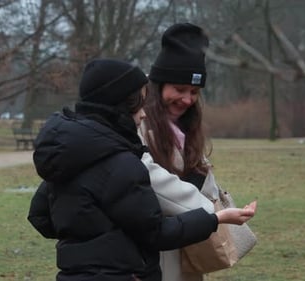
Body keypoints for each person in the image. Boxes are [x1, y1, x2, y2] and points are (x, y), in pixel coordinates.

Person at [27, 58, 257, 281]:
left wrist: (89, 240)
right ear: (120, 106)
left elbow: (41, 217)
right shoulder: (122, 163)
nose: (144, 113)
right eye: (139, 105)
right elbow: (157, 233)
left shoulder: (71, 158)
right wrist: (216, 218)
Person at [140, 23, 253, 281]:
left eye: (193, 92)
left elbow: (202, 178)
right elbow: (146, 177)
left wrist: (221, 204)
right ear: (158, 86)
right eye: (179, 90)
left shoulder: (186, 127)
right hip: (154, 249)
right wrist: (211, 213)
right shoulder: (138, 122)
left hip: (188, 242)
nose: (187, 100)